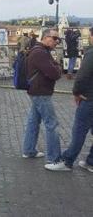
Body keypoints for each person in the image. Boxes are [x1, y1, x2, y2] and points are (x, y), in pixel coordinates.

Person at [47, 27, 93, 172]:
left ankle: (67, 161)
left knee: (79, 131)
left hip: (89, 99)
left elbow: (82, 76)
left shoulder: (91, 54)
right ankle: (91, 161)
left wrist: (76, 93)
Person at [21, 28, 63, 169]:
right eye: (55, 38)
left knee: (33, 121)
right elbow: (55, 73)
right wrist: (57, 66)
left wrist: (55, 66)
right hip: (41, 92)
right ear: (45, 37)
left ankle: (28, 150)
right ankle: (54, 159)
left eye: (58, 39)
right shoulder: (40, 52)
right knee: (52, 124)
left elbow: (53, 69)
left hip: (37, 91)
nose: (57, 41)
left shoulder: (40, 51)